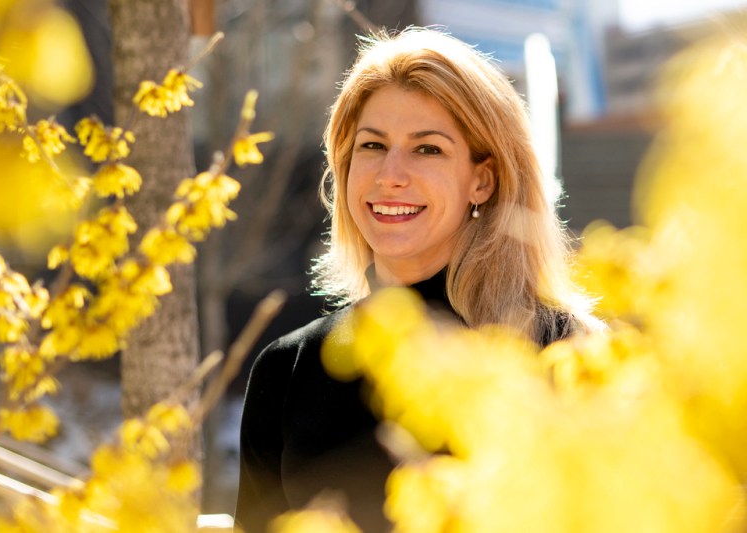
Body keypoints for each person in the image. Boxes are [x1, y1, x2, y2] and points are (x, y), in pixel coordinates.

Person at [235, 26, 600, 532]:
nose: (390, 174)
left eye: (427, 149)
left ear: (483, 179)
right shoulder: (286, 371)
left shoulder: (564, 354)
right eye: (372, 145)